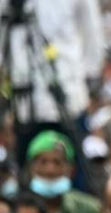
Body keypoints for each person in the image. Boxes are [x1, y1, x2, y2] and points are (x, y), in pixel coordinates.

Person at [5, 0, 104, 168]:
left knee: (74, 163)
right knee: (26, 165)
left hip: (68, 94)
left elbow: (92, 34)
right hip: (23, 99)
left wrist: (89, 78)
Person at [25, 130, 105, 213]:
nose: (50, 170)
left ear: (71, 169)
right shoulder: (19, 209)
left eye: (57, 162)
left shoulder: (90, 208)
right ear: (30, 167)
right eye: (42, 162)